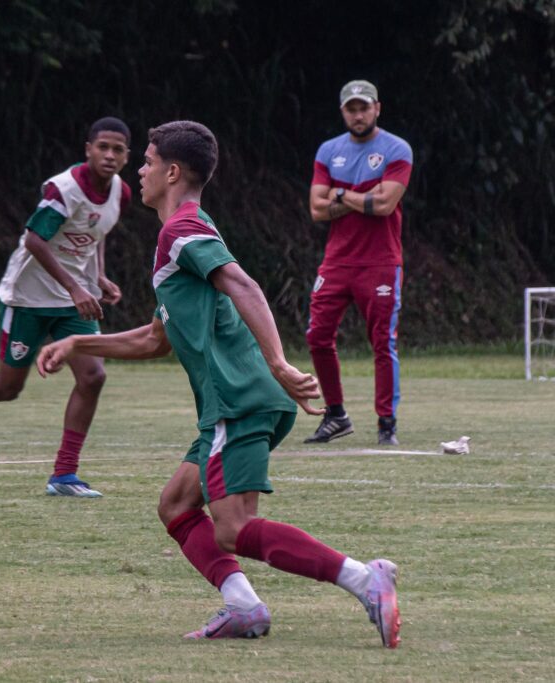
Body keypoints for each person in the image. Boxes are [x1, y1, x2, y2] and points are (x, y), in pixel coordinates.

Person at [36, 121, 401, 648]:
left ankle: (367, 580)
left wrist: (277, 361)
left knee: (232, 527)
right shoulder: (180, 236)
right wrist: (77, 344)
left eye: (148, 160)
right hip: (226, 404)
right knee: (177, 506)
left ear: (172, 171)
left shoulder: (182, 229)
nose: (140, 170)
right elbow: (154, 341)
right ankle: (243, 606)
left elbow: (243, 283)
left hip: (240, 396)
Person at [0, 117, 132, 498]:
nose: (109, 154)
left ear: (126, 156)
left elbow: (95, 235)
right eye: (102, 146)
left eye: (117, 149)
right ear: (87, 148)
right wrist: (75, 287)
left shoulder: (120, 193)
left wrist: (99, 277)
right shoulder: (64, 190)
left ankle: (64, 475)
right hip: (30, 298)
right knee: (8, 388)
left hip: (74, 302)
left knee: (93, 377)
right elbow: (35, 241)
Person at [306, 80, 413, 446]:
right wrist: (361, 196)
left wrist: (338, 193)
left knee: (382, 342)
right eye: (351, 108)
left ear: (377, 109)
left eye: (364, 107)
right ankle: (336, 415)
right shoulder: (328, 150)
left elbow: (384, 206)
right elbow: (317, 210)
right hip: (337, 262)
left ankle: (387, 423)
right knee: (317, 336)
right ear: (343, 112)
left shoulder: (397, 149)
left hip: (381, 262)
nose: (358, 114)